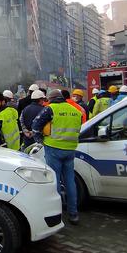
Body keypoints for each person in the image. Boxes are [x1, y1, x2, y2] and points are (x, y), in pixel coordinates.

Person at [32, 89, 84, 224]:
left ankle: (56, 213)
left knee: (54, 181)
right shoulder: (76, 110)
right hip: (70, 149)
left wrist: (40, 140)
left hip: (54, 148)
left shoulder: (50, 109)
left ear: (51, 99)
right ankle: (73, 214)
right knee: (70, 181)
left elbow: (35, 125)